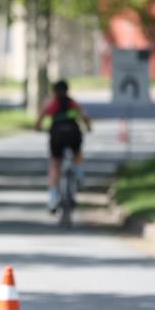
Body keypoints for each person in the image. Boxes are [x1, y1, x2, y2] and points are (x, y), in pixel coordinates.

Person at [34, 79, 92, 212]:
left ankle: (53, 198)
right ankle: (79, 174)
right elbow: (85, 117)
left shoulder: (51, 103)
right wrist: (88, 127)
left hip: (56, 135)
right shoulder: (73, 102)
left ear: (54, 91)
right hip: (73, 133)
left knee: (55, 164)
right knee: (77, 152)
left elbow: (39, 120)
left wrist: (38, 128)